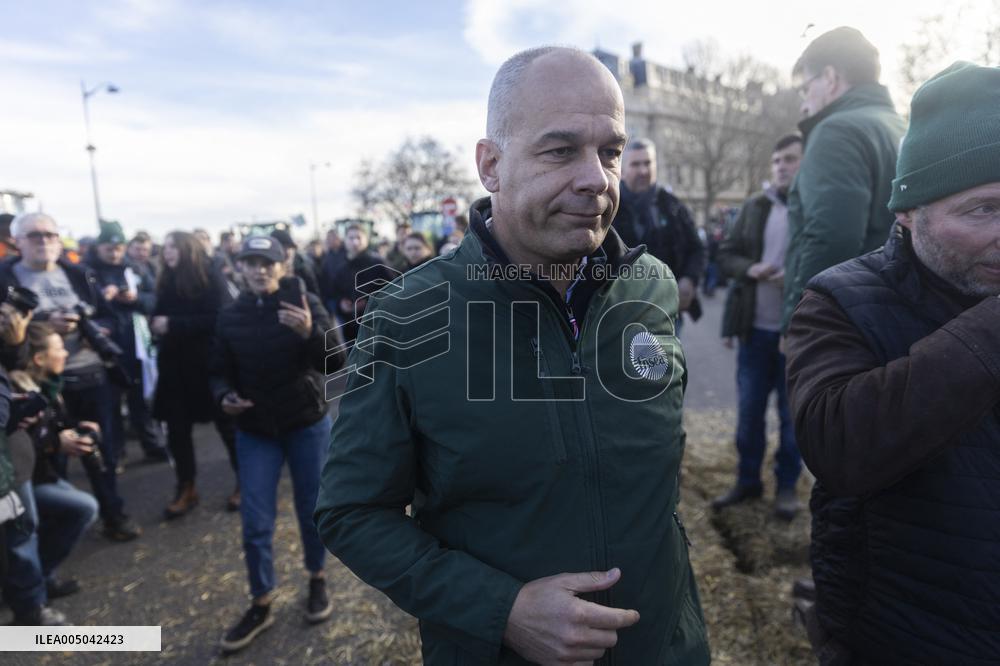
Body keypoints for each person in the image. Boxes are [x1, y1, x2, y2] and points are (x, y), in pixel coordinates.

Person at [315, 46, 709, 664]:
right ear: (491, 165)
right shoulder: (406, 316)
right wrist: (501, 611)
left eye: (610, 151)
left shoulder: (651, 286)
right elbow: (351, 512)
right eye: (560, 150)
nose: (596, 178)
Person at [785, 62, 1000, 664]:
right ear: (908, 212)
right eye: (984, 209)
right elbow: (839, 447)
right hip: (901, 629)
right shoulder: (841, 301)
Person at [209, 236, 344, 652]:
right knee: (255, 521)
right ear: (239, 268)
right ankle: (261, 600)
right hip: (255, 430)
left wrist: (309, 333)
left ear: (282, 266)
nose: (259, 269)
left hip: (305, 423)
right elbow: (218, 372)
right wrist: (224, 397)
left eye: (266, 262)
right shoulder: (230, 315)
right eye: (250, 262)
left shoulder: (305, 303)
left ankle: (317, 579)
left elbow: (336, 362)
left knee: (312, 510)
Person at [0, 213, 138, 542]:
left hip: (89, 374)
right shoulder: (6, 278)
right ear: (17, 241)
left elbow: (108, 317)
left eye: (50, 234)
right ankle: (54, 535)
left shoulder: (77, 274)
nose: (44, 241)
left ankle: (114, 516)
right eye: (34, 235)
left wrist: (93, 328)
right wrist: (46, 324)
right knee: (51, 462)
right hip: (37, 386)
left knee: (98, 450)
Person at [780, 26, 906, 331]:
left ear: (830, 78)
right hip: (893, 311)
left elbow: (831, 238)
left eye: (805, 87)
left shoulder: (836, 131)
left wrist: (800, 322)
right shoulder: (900, 126)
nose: (804, 101)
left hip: (843, 324)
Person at [714, 134, 804, 518]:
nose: (781, 166)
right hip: (755, 331)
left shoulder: (815, 205)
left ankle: (787, 488)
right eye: (776, 160)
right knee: (749, 414)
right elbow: (727, 254)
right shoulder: (753, 206)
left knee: (792, 419)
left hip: (796, 335)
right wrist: (750, 269)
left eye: (790, 159)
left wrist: (798, 276)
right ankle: (747, 480)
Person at [5, 323, 101, 625]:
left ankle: (39, 580)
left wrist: (73, 431)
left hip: (33, 473)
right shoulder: (15, 387)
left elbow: (45, 426)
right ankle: (30, 606)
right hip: (15, 473)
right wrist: (53, 442)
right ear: (39, 358)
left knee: (83, 509)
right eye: (59, 347)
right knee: (23, 533)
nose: (65, 353)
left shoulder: (47, 385)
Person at [151, 231, 238, 517]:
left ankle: (246, 481)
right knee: (177, 431)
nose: (168, 253)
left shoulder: (210, 277)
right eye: (165, 248)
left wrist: (173, 324)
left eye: (173, 247)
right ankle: (186, 486)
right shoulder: (166, 279)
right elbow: (159, 313)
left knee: (227, 426)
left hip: (206, 364)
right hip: (174, 367)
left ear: (188, 250)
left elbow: (220, 317)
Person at [86, 220, 168, 465]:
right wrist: (103, 298)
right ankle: (116, 452)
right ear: (99, 247)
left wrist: (134, 299)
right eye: (109, 249)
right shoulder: (87, 272)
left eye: (118, 248)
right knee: (110, 403)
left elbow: (154, 300)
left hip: (136, 344)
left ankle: (151, 444)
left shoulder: (135, 269)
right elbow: (83, 306)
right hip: (104, 344)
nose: (114, 254)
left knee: (139, 398)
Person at [613, 138, 705, 334]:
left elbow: (696, 248)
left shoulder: (673, 206)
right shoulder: (609, 207)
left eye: (648, 163)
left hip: (666, 312)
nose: (643, 171)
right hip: (618, 314)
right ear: (622, 169)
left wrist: (689, 279)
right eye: (635, 164)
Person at [325, 224, 394, 344]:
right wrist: (341, 304)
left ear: (366, 240)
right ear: (345, 241)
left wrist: (368, 302)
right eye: (351, 238)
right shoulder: (341, 268)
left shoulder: (378, 263)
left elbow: (393, 289)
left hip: (377, 325)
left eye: (358, 237)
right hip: (350, 327)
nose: (355, 242)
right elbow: (334, 293)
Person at [269, 228, 321, 296]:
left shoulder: (303, 268)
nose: (288, 252)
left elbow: (315, 293)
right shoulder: (267, 271)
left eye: (290, 247)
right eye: (283, 247)